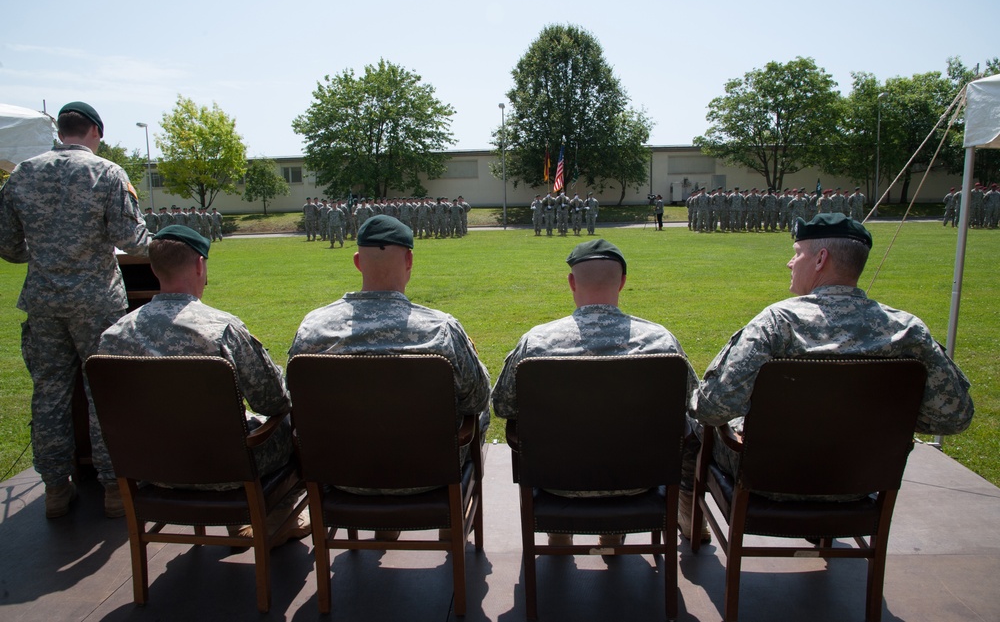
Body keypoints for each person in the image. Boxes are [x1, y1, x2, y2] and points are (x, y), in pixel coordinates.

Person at [689, 213, 974, 508]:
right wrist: (883, 426)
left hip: (771, 480)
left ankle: (687, 513)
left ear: (820, 259)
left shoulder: (777, 324)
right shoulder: (908, 331)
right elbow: (953, 416)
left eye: (797, 254)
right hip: (860, 480)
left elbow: (714, 408)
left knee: (696, 423)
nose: (790, 263)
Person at [97, 225, 308, 543]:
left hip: (152, 470)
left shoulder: (112, 338)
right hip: (224, 470)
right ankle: (277, 519)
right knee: (295, 426)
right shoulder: (221, 329)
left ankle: (237, 522)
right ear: (199, 264)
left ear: (154, 268)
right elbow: (274, 401)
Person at [492, 239, 698, 546]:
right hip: (638, 482)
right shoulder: (661, 343)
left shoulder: (536, 344)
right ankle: (615, 534)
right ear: (623, 282)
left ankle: (559, 534)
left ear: (572, 282)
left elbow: (502, 406)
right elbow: (694, 405)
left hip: (557, 482)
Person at [0, 101, 150, 519]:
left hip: (44, 301)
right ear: (96, 132)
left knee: (49, 393)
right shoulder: (106, 172)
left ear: (61, 131)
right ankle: (114, 489)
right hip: (96, 301)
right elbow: (133, 240)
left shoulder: (23, 174)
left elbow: (8, 246)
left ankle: (55, 488)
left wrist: (48, 254)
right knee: (103, 391)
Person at [288, 215, 491, 503]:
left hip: (343, 474)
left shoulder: (314, 329)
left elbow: (295, 401)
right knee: (480, 414)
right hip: (427, 475)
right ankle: (451, 523)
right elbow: (478, 399)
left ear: (358, 262)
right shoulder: (440, 330)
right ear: (409, 261)